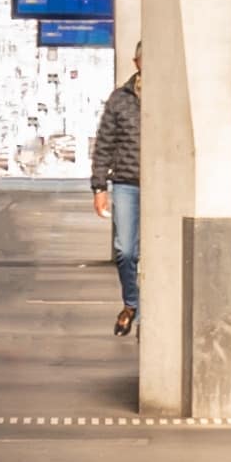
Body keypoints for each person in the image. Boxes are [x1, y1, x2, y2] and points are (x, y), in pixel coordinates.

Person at [88, 57, 143, 334]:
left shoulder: (170, 94)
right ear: (137, 62)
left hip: (165, 185)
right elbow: (104, 146)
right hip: (126, 184)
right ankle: (132, 304)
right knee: (126, 251)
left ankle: (147, 312)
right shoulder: (119, 99)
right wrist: (99, 188)